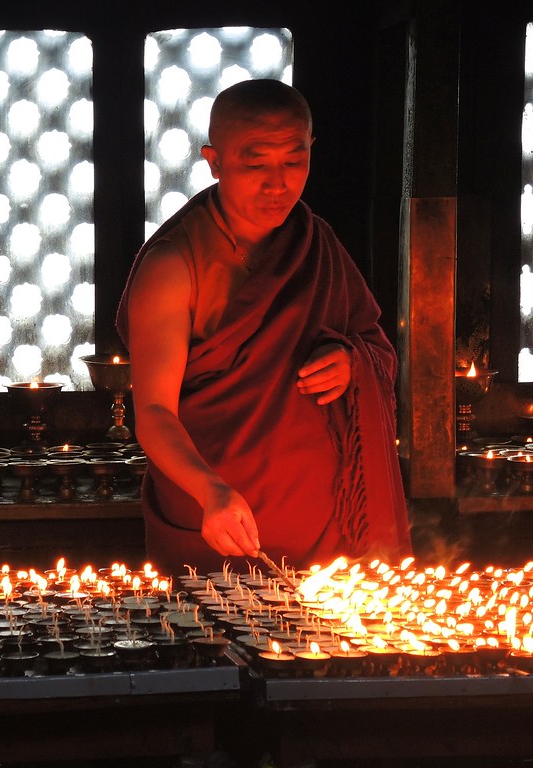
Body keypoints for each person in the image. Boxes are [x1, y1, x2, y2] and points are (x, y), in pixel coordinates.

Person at [116, 78, 412, 576]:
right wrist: (211, 490)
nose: (278, 185)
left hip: (327, 533)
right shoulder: (174, 265)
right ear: (214, 162)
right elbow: (152, 413)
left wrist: (350, 362)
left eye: (294, 162)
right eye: (256, 165)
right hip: (215, 522)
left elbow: (375, 347)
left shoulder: (314, 242)